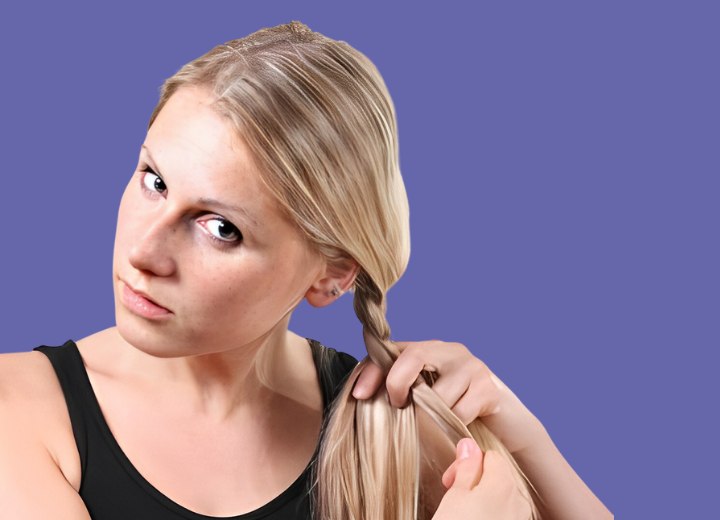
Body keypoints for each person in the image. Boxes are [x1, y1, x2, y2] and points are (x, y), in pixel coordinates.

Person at [0, 21, 612, 519]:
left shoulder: (385, 436)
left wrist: (518, 430)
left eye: (220, 228)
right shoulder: (19, 408)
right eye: (154, 181)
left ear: (332, 275)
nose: (142, 252)